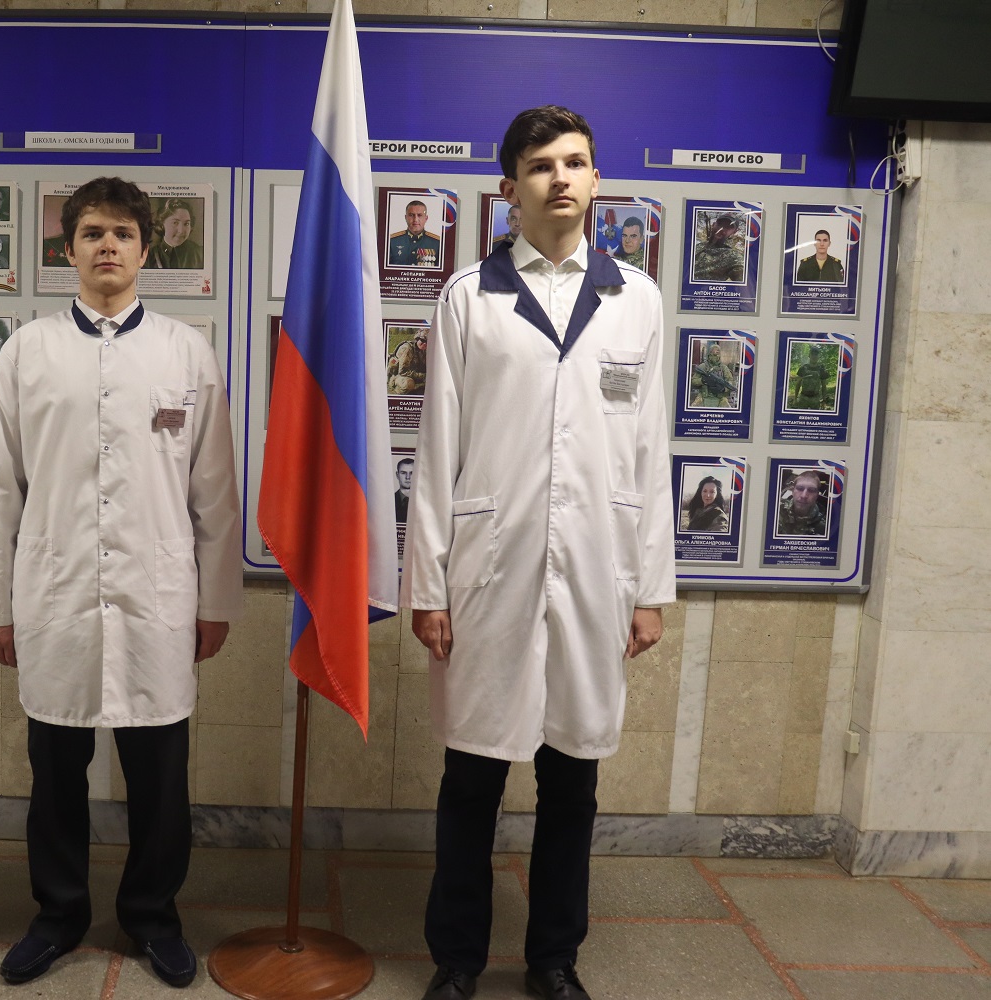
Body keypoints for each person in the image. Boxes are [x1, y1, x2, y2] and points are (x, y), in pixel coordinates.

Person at [402, 106, 673, 1000]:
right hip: (490, 567)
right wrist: (429, 585)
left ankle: (555, 958)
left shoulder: (637, 298)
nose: (561, 177)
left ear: (597, 181)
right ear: (509, 188)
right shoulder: (468, 297)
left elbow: (651, 451)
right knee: (471, 778)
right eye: (542, 165)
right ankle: (457, 959)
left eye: (576, 162)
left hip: (597, 566)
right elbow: (437, 451)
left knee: (572, 781)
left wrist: (649, 588)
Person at [0, 176, 242, 990]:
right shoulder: (28, 351)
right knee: (55, 772)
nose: (108, 246)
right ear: (68, 250)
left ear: (146, 249)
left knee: (160, 775)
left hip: (157, 599)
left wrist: (216, 602)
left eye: (123, 233)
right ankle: (57, 915)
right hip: (53, 594)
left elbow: (214, 492)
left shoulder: (185, 352)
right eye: (92, 233)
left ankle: (153, 916)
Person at [145, 197, 204, 269]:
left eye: (186, 224)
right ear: (162, 224)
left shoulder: (201, 254)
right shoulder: (148, 258)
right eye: (175, 223)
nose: (181, 231)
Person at [388, 199, 441, 268]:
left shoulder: (437, 243)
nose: (415, 219)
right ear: (406, 217)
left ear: (426, 218)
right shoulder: (392, 241)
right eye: (411, 215)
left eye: (419, 215)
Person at [692, 213, 744, 283]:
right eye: (720, 224)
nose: (722, 229)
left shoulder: (733, 257)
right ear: (713, 225)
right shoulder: (697, 246)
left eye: (728, 227)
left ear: (734, 232)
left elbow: (744, 284)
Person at [777, 469, 827, 536]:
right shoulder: (776, 510)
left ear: (817, 495)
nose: (804, 496)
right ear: (793, 491)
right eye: (800, 488)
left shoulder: (825, 527)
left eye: (811, 490)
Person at [689, 342, 737, 409]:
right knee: (692, 411)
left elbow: (731, 383)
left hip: (720, 398)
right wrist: (703, 380)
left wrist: (723, 389)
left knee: (728, 412)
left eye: (717, 354)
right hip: (703, 396)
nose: (715, 357)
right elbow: (693, 381)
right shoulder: (703, 367)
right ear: (709, 354)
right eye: (713, 354)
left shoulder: (724, 368)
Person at [387, 328, 428, 395]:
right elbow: (403, 372)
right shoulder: (407, 349)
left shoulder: (424, 350)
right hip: (398, 376)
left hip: (413, 375)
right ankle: (396, 393)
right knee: (408, 384)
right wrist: (423, 376)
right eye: (422, 340)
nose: (425, 344)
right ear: (417, 339)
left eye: (428, 342)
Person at [790, 344, 830, 410]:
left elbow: (824, 386)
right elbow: (798, 384)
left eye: (816, 354)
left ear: (818, 356)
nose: (814, 356)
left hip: (816, 399)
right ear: (809, 355)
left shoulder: (821, 369)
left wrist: (824, 401)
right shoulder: (803, 368)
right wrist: (795, 398)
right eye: (812, 354)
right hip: (803, 398)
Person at [395, 457, 414, 524]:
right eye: (403, 473)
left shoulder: (425, 502)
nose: (408, 477)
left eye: (412, 473)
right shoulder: (389, 501)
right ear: (397, 475)